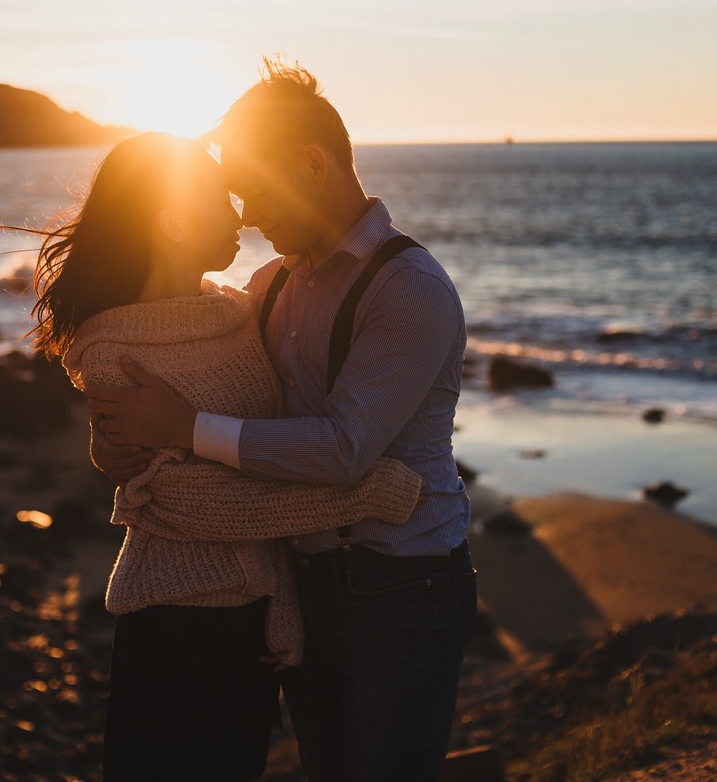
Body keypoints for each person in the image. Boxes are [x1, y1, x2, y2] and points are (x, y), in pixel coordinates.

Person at [86, 63, 476, 782]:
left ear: (311, 163)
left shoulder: (408, 289)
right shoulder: (267, 290)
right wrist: (116, 441)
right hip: (302, 585)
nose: (246, 212)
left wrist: (181, 426)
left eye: (255, 187)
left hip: (402, 587)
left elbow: (344, 449)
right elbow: (184, 357)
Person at [30, 131, 425, 782]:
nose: (239, 213)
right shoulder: (116, 348)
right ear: (175, 218)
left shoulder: (240, 312)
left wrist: (282, 611)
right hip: (174, 632)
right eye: (218, 197)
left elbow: (262, 450)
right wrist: (363, 492)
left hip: (250, 637)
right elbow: (185, 502)